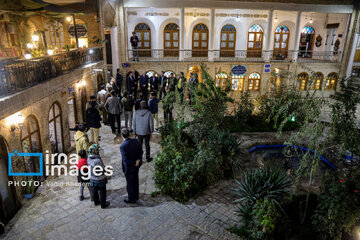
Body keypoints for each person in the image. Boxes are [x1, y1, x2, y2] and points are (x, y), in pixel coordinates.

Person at [120, 128, 143, 204]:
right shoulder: (136, 141)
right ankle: (136, 195)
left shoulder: (123, 146)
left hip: (129, 167)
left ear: (122, 136)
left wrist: (133, 163)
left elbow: (125, 160)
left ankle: (131, 198)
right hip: (136, 166)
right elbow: (141, 151)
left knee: (130, 183)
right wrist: (138, 160)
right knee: (136, 180)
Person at [87, 144, 110, 209]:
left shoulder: (88, 158)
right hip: (100, 179)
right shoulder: (98, 160)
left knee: (94, 190)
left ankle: (96, 202)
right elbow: (102, 168)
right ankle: (103, 204)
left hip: (92, 178)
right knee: (102, 191)